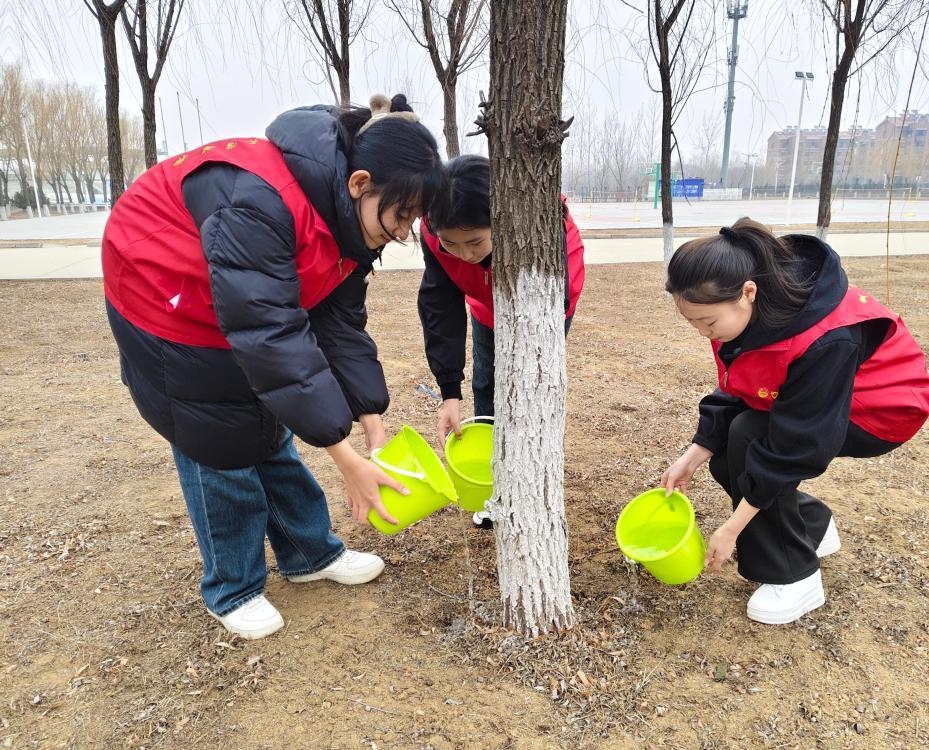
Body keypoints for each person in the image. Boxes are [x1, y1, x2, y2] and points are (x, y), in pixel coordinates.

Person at [102, 94, 445, 639]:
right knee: (217, 434)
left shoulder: (347, 218)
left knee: (269, 426)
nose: (403, 232)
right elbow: (272, 340)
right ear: (360, 183)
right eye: (401, 215)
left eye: (413, 219)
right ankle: (232, 586)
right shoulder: (261, 202)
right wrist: (346, 459)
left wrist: (372, 425)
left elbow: (337, 323)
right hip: (160, 287)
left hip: (233, 293)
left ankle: (309, 554)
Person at [660, 217, 929, 625]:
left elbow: (797, 446)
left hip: (882, 408)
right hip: (820, 399)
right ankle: (813, 526)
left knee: (751, 439)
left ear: (747, 293)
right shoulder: (748, 316)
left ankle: (794, 576)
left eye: (709, 322)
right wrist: (695, 452)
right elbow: (743, 385)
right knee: (729, 451)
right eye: (692, 322)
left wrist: (732, 529)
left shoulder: (826, 339)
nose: (703, 333)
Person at [416, 155, 586, 528]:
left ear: (503, 219)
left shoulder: (538, 224)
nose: (464, 255)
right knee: (487, 383)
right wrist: (449, 391)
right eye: (450, 244)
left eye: (474, 242)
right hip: (486, 305)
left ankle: (531, 482)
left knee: (528, 389)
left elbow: (551, 301)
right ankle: (497, 484)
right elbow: (440, 306)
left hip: (544, 307)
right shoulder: (432, 230)